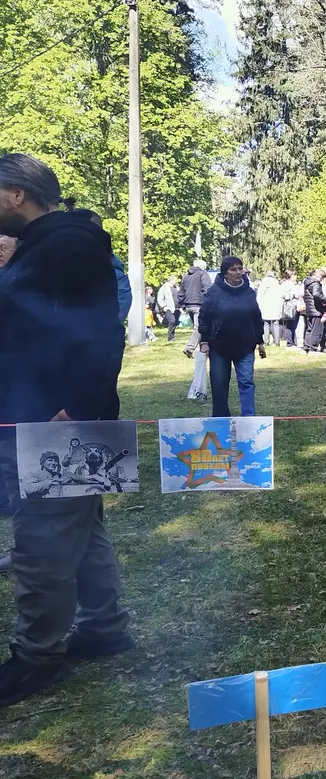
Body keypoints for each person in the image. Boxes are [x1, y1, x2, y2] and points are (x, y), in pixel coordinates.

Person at [0, 152, 131, 707]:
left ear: (15, 195)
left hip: (56, 423)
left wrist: (73, 406)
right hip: (44, 415)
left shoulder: (67, 245)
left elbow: (101, 333)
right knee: (82, 526)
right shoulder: (46, 247)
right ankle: (104, 627)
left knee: (43, 539)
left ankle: (36, 657)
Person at [198, 256, 265, 417]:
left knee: (246, 382)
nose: (237, 272)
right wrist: (205, 340)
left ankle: (249, 418)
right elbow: (205, 316)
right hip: (219, 346)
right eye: (233, 269)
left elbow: (256, 317)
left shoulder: (249, 292)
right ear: (225, 273)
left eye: (240, 268)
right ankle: (221, 419)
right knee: (219, 384)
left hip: (245, 346)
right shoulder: (214, 291)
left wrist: (260, 341)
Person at [178, 258, 212, 357]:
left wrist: (182, 305)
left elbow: (181, 292)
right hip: (199, 304)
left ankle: (203, 350)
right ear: (203, 267)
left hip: (188, 305)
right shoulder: (203, 274)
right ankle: (190, 348)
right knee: (199, 328)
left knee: (198, 328)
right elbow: (208, 289)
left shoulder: (186, 276)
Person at [301, 268, 326, 355]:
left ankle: (306, 347)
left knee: (309, 329)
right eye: (322, 278)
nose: (322, 280)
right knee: (317, 330)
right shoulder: (316, 283)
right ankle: (313, 348)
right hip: (316, 309)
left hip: (309, 309)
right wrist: (324, 299)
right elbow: (316, 294)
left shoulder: (308, 282)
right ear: (319, 276)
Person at [256, 271, 283, 346]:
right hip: (275, 305)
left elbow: (259, 295)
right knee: (275, 323)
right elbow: (280, 295)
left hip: (265, 306)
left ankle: (266, 341)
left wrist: (258, 305)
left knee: (266, 324)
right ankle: (277, 341)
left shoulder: (263, 283)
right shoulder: (277, 283)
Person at [157, 273, 179, 342]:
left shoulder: (177, 288)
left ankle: (173, 336)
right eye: (175, 280)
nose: (176, 281)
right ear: (171, 280)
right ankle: (170, 337)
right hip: (169, 307)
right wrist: (164, 306)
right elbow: (160, 298)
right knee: (172, 321)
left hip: (177, 307)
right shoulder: (164, 288)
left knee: (175, 322)